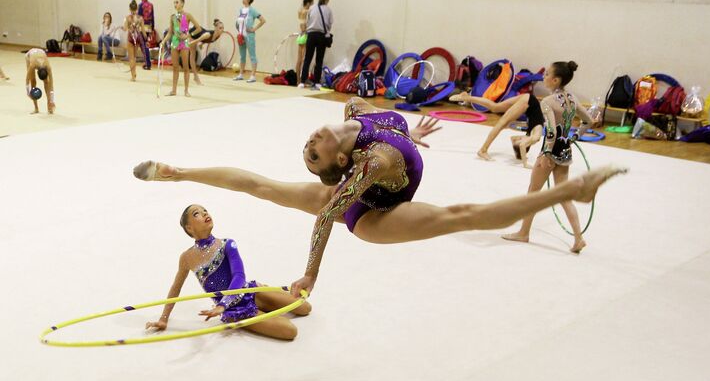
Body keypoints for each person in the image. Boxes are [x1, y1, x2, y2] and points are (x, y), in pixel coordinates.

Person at [133, 97, 626, 297]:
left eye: (309, 150)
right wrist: (311, 273)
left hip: (385, 186)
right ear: (341, 165)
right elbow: (327, 215)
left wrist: (412, 132)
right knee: (461, 216)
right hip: (374, 216)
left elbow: (390, 124)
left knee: (462, 213)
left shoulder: (357, 111)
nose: (309, 145)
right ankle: (178, 174)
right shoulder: (365, 165)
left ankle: (572, 192)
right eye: (312, 154)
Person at [145, 204, 311, 340]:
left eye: (205, 210)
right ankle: (262, 308)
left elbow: (239, 276)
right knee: (290, 332)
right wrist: (163, 319)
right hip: (235, 310)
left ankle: (265, 299)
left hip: (248, 291)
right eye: (197, 214)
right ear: (189, 227)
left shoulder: (227, 244)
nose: (205, 213)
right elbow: (175, 289)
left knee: (305, 308)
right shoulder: (187, 257)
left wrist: (222, 304)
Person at [502, 61, 595, 253]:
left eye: (546, 75)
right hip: (565, 151)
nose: (543, 78)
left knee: (533, 193)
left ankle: (523, 233)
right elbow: (589, 121)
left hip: (550, 153)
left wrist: (545, 154)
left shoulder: (548, 102)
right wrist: (574, 137)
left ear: (555, 79)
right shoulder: (572, 98)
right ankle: (578, 238)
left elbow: (551, 131)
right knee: (563, 196)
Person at [450, 91, 544, 167]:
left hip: (529, 99)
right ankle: (483, 150)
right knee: (501, 124)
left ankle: (467, 97)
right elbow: (522, 145)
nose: (516, 140)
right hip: (527, 103)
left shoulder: (529, 134)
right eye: (517, 142)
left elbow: (515, 139)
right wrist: (525, 163)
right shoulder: (535, 138)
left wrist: (520, 153)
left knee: (495, 107)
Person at [159, 0, 202, 97]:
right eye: (174, 3)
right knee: (175, 67)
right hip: (175, 42)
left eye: (177, 2)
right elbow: (170, 32)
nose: (175, 4)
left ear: (182, 3)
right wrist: (163, 41)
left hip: (184, 43)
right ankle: (174, 90)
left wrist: (188, 35)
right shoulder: (173, 17)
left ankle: (186, 90)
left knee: (186, 67)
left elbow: (198, 28)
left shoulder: (187, 15)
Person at [299, 0, 333, 89]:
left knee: (307, 58)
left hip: (311, 34)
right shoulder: (328, 10)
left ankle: (302, 81)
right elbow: (330, 23)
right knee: (319, 60)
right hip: (321, 35)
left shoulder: (312, 8)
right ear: (326, 1)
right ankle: (317, 82)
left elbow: (308, 20)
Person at [233, 0, 265, 83]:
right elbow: (239, 23)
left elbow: (263, 20)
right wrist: (238, 32)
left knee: (252, 55)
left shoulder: (252, 11)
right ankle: (240, 74)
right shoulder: (241, 10)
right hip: (241, 36)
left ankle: (253, 75)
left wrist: (254, 29)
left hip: (249, 36)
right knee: (242, 56)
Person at [188, 19, 224, 85]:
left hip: (199, 34)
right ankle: (196, 77)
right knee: (192, 55)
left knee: (193, 55)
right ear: (215, 28)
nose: (222, 30)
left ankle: (195, 77)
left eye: (223, 28)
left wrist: (201, 44)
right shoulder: (208, 34)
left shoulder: (218, 36)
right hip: (193, 33)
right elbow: (196, 41)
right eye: (220, 28)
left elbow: (206, 41)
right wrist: (191, 43)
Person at [24, 48, 54, 114]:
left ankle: (49, 107)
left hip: (41, 52)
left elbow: (51, 85)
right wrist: (28, 92)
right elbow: (27, 79)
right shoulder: (32, 65)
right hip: (29, 55)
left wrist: (51, 101)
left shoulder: (48, 67)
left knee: (47, 82)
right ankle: (36, 108)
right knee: (33, 81)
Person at [123, 1, 145, 82]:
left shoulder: (127, 17)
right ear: (137, 9)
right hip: (136, 38)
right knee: (134, 57)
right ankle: (134, 73)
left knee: (131, 58)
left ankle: (133, 75)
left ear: (129, 9)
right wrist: (146, 39)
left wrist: (125, 26)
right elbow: (143, 31)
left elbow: (125, 29)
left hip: (131, 38)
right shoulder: (140, 18)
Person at [295, 0, 313, 75]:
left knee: (299, 59)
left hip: (300, 35)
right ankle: (303, 78)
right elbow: (304, 25)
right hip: (305, 35)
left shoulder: (300, 11)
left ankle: (298, 79)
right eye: (311, 4)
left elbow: (301, 23)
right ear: (308, 3)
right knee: (304, 59)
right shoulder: (307, 11)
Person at [138, 0, 154, 70]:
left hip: (142, 27)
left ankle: (148, 64)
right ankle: (147, 62)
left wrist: (137, 26)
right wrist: (152, 29)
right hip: (149, 27)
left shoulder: (141, 5)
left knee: (144, 46)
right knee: (146, 45)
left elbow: (139, 17)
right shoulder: (151, 5)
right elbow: (153, 17)